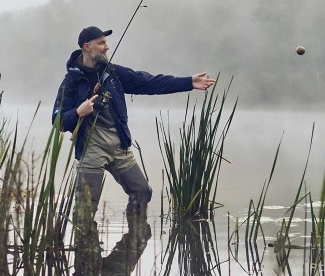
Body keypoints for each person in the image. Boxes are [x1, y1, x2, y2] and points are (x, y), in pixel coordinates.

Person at [52, 26, 215, 223]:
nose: (106, 47)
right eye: (101, 43)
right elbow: (57, 121)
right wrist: (78, 112)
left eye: (106, 42)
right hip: (91, 149)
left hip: (119, 147)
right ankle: (85, 248)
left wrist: (188, 82)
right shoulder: (71, 80)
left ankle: (133, 238)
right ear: (87, 46)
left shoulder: (113, 73)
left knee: (142, 192)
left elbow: (149, 82)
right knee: (86, 208)